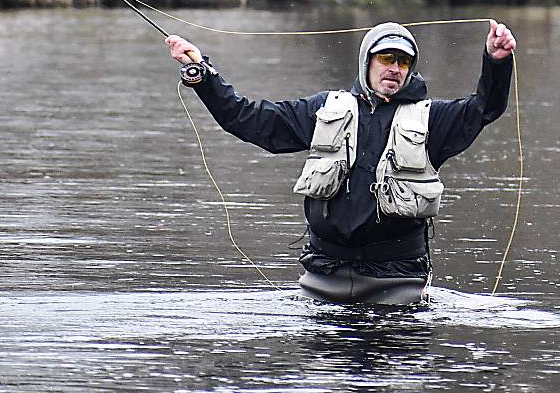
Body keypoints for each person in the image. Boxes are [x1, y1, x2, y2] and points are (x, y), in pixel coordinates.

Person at [166, 19, 516, 305]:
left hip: (398, 284)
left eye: (403, 62)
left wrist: (497, 62)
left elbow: (484, 108)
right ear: (367, 62)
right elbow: (247, 119)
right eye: (386, 58)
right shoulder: (324, 109)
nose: (394, 69)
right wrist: (203, 75)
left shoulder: (433, 120)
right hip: (322, 280)